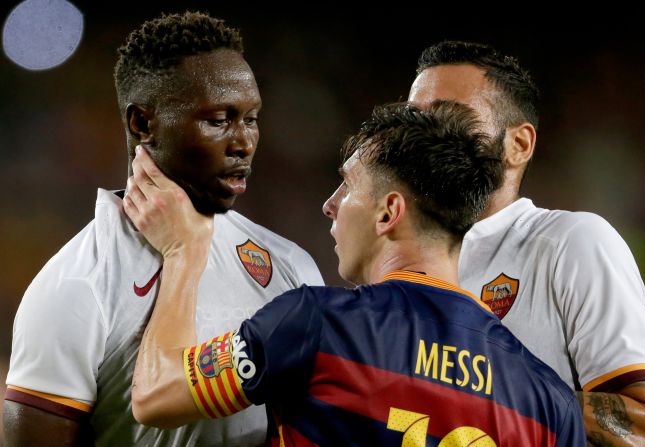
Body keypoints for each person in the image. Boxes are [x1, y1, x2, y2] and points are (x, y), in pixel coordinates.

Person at [124, 101, 586, 446]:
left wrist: (183, 251)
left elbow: (155, 396)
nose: (331, 204)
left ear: (389, 213)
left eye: (348, 186)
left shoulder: (319, 325)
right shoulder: (551, 403)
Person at [3, 11, 323, 447]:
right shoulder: (77, 285)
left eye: (250, 118)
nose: (243, 141)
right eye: (218, 120)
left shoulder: (289, 264)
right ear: (143, 124)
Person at [408, 40, 645, 445]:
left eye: (451, 117)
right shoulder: (395, 269)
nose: (423, 138)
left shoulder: (569, 242)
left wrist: (478, 389)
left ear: (519, 145)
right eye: (413, 121)